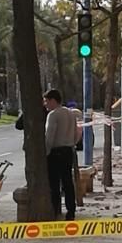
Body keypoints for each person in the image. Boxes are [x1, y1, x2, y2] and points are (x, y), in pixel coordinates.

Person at [43, 89, 78, 220]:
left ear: (53, 100)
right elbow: (76, 133)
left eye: (47, 101)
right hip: (68, 150)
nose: (45, 105)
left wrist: (46, 153)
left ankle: (56, 210)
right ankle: (71, 211)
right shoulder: (70, 114)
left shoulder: (53, 115)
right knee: (68, 182)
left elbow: (49, 137)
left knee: (54, 184)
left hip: (56, 152)